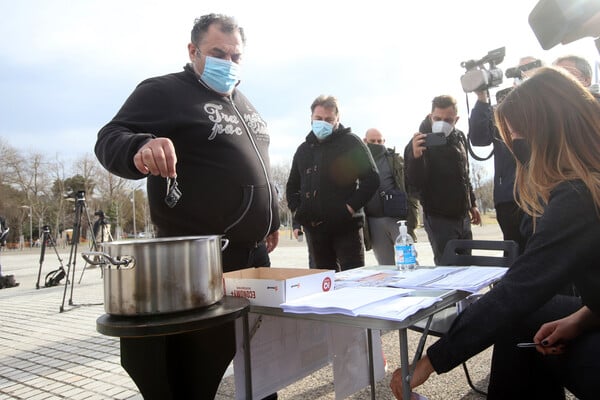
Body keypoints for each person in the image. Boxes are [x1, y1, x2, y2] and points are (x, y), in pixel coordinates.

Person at [95, 13, 279, 400]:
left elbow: (255, 167)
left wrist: (270, 218)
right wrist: (139, 147)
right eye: (217, 53)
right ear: (193, 51)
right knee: (193, 377)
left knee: (261, 372)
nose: (227, 63)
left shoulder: (242, 102)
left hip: (255, 259)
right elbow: (110, 137)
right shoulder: (164, 91)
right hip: (201, 265)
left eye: (235, 56)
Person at [390, 67, 600, 399]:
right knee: (527, 319)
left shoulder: (580, 195)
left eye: (516, 136)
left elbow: (517, 290)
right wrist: (581, 318)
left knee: (517, 314)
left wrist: (431, 360)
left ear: (545, 133)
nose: (516, 149)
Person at [286, 95, 379, 271]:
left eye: (329, 119)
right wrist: (298, 211)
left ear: (337, 119)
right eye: (318, 119)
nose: (323, 123)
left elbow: (372, 179)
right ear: (311, 119)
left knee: (352, 280)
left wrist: (350, 208)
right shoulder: (303, 150)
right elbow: (292, 186)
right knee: (323, 283)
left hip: (346, 228)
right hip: (315, 232)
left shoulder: (351, 143)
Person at [468, 56, 543, 254]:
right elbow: (478, 138)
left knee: (543, 250)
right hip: (509, 195)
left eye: (531, 68)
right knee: (514, 252)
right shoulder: (502, 108)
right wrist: (482, 99)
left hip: (543, 191)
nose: (525, 73)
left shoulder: (549, 106)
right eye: (521, 69)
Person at [404, 95, 481, 265]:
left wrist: (472, 203)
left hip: (462, 215)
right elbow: (413, 184)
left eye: (448, 120)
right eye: (437, 118)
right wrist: (416, 158)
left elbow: (465, 174)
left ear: (456, 119)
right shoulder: (418, 142)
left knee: (467, 266)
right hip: (439, 217)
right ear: (430, 116)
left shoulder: (459, 137)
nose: (442, 123)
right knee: (448, 268)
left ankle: (466, 293)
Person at [362, 128, 415, 265]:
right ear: (365, 141)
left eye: (379, 141)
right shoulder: (358, 163)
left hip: (397, 220)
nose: (377, 144)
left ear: (384, 141)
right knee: (385, 266)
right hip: (374, 222)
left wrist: (411, 218)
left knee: (409, 261)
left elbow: (409, 188)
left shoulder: (396, 160)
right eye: (372, 141)